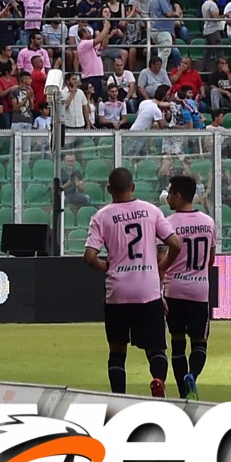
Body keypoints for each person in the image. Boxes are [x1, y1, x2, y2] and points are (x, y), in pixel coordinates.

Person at [82, 166, 169, 394]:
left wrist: (105, 266)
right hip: (147, 289)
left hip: (118, 291)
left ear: (109, 189)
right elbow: (176, 244)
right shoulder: (151, 211)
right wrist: (160, 267)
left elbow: (89, 256)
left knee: (117, 350)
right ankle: (158, 380)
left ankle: (119, 396)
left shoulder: (101, 216)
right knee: (155, 348)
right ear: (133, 187)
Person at [157, 171, 217, 399]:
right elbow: (211, 260)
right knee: (200, 342)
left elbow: (162, 257)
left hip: (174, 290)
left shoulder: (168, 224)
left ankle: (183, 393)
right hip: (199, 291)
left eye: (170, 194)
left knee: (177, 343)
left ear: (179, 196)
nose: (168, 198)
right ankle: (192, 375)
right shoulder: (208, 222)